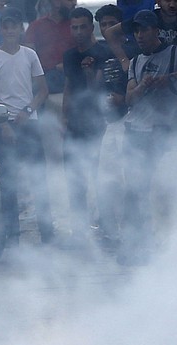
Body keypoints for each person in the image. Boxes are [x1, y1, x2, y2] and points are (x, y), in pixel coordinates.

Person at [119, 8, 177, 265]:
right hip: (136, 133)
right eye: (136, 30)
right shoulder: (135, 62)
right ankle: (137, 245)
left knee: (164, 192)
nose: (139, 35)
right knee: (134, 191)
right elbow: (129, 96)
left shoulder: (176, 52)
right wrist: (142, 86)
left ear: (156, 30)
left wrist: (168, 79)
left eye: (144, 29)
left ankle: (169, 245)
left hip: (164, 133)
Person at [0, 7, 54, 245]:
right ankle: (12, 235)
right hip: (3, 124)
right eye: (6, 26)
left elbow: (42, 90)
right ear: (1, 29)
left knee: (39, 178)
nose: (10, 31)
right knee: (9, 183)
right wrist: (3, 125)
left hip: (28, 122)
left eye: (14, 27)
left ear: (20, 29)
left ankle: (47, 232)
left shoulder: (30, 55)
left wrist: (28, 110)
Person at [61, 6, 113, 245]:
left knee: (99, 177)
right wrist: (64, 116)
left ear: (91, 28)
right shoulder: (70, 55)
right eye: (74, 27)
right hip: (75, 125)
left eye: (83, 27)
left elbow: (97, 91)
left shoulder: (103, 52)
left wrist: (91, 73)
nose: (78, 31)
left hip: (97, 124)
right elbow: (70, 86)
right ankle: (79, 229)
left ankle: (104, 226)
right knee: (75, 179)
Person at [104, 0, 177, 70]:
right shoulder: (147, 18)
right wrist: (124, 60)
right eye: (167, 0)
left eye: (176, 1)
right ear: (158, 1)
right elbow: (110, 33)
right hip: (153, 71)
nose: (172, 5)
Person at [24, 0, 76, 94]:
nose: (74, 3)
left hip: (73, 77)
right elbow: (28, 58)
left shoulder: (77, 26)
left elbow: (91, 50)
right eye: (70, 0)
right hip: (45, 78)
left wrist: (69, 65)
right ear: (56, 2)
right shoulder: (35, 26)